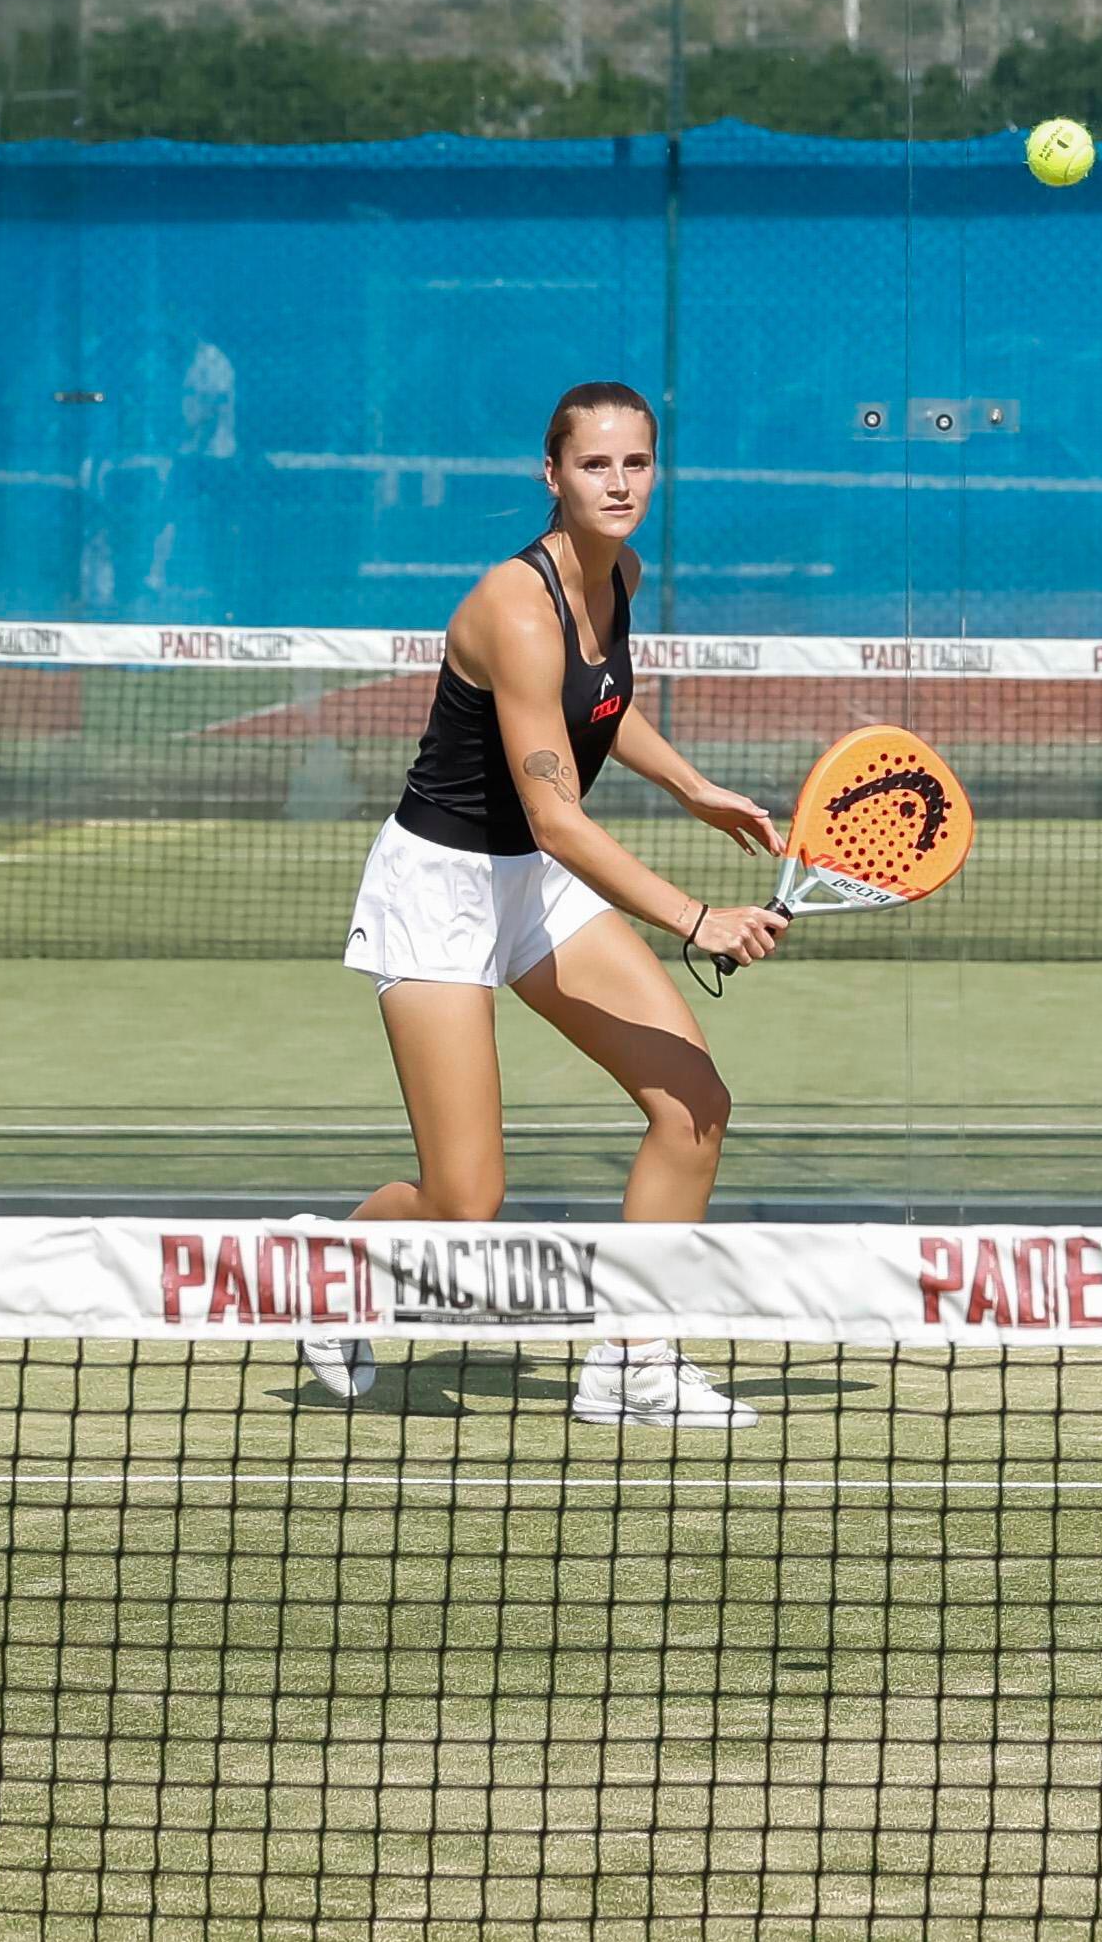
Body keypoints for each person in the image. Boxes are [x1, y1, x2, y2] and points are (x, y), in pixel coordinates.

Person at [311, 381, 790, 1427]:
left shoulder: (620, 569)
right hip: (439, 890)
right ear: (552, 474)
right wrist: (695, 916)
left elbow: (601, 705)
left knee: (693, 1104)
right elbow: (562, 815)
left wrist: (694, 787)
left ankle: (631, 1359)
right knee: (463, 1199)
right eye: (594, 465)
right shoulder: (512, 608)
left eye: (636, 464)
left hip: (531, 879)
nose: (618, 484)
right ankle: (335, 1271)